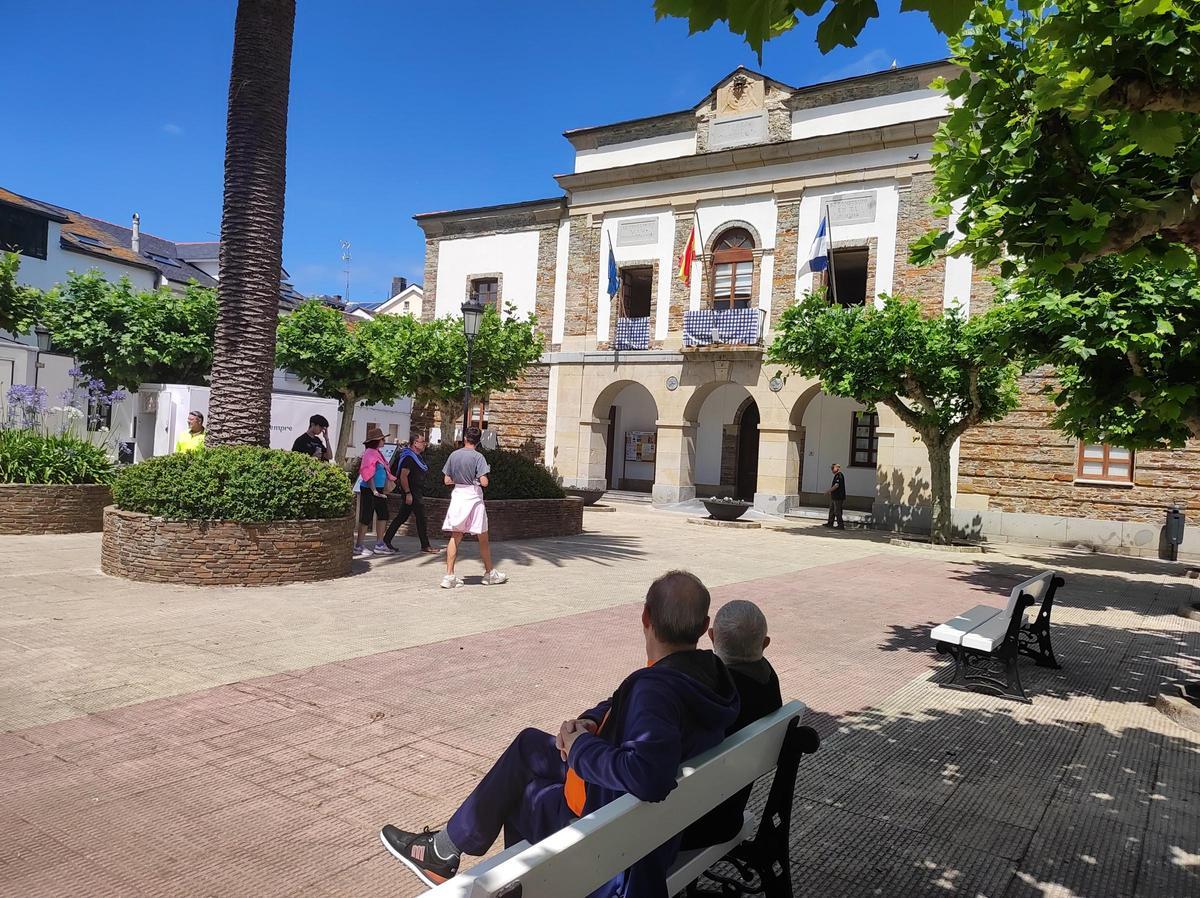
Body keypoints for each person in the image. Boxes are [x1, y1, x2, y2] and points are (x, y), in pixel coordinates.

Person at [379, 570, 740, 897]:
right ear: (703, 625)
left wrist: (581, 746)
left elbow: (649, 776)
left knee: (523, 796)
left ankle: (447, 853)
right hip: (643, 820)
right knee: (528, 745)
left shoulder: (656, 689)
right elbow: (628, 705)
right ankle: (444, 849)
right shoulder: (707, 673)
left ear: (645, 618)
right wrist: (591, 721)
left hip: (612, 830)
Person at [679, 600, 782, 850]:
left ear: (711, 636)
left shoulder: (711, 694)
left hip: (689, 825)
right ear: (765, 643)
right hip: (728, 813)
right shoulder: (770, 684)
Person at [440, 426, 506, 588]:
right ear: (478, 441)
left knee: (455, 536)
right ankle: (489, 572)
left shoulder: (454, 455)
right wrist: (475, 480)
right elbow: (484, 482)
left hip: (458, 496)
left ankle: (449, 575)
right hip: (474, 498)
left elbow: (447, 480)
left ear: (465, 439)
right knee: (482, 537)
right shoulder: (479, 457)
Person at [382, 431, 441, 555]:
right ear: (415, 443)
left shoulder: (416, 456)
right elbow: (403, 476)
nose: (424, 444)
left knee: (402, 517)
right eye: (422, 442)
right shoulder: (408, 457)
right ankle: (425, 545)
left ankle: (386, 540)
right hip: (412, 491)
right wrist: (408, 493)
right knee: (421, 517)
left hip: (416, 490)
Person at [353, 426, 396, 558]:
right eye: (382, 439)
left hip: (378, 489)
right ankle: (359, 545)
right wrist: (374, 490)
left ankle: (379, 543)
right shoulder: (370, 453)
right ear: (376, 441)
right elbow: (368, 472)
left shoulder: (376, 452)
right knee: (366, 517)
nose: (384, 441)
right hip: (370, 489)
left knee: (383, 514)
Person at [824, 461, 846, 529]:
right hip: (834, 496)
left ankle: (840, 525)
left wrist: (829, 491)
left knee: (837, 511)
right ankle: (830, 523)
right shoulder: (836, 475)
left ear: (837, 468)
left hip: (838, 497)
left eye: (833, 468)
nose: (832, 469)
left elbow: (836, 485)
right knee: (832, 510)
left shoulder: (839, 475)